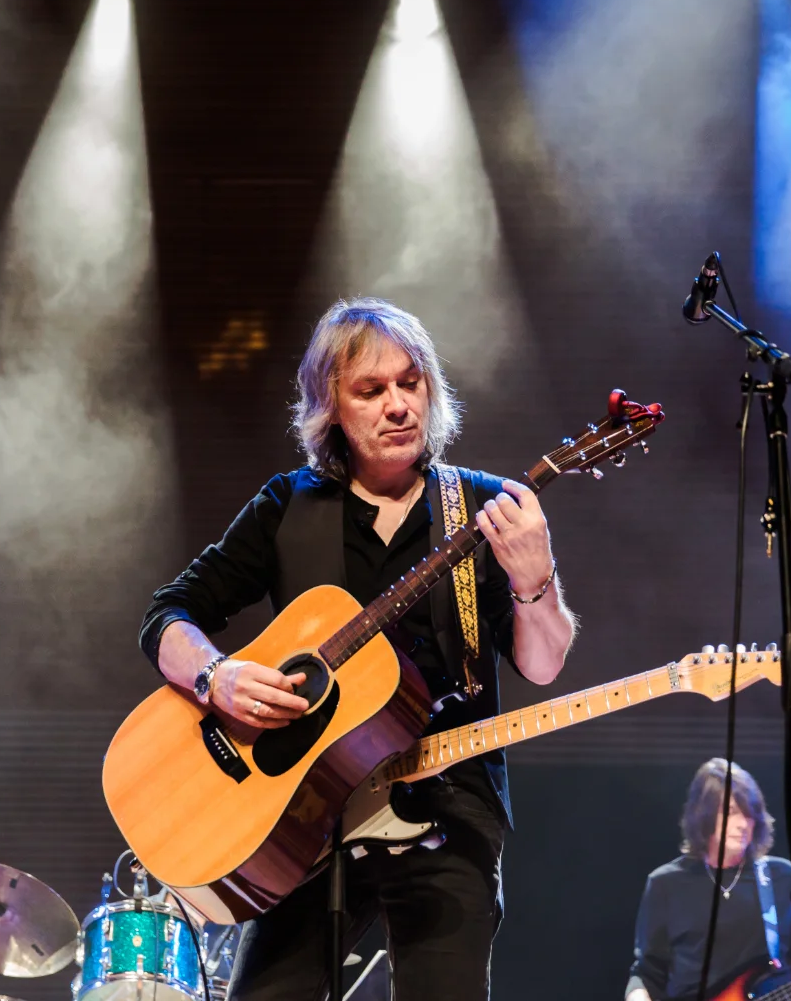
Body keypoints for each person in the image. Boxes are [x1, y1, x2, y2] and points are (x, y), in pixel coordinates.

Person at [139, 297, 579, 1000]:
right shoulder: (287, 507)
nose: (398, 405)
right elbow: (167, 617)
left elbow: (542, 664)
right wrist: (215, 678)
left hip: (445, 808)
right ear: (330, 408)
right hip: (307, 816)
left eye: (411, 382)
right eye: (371, 391)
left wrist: (536, 578)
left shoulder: (485, 506)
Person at [626, 759, 791, 1001]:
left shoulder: (780, 877)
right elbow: (647, 972)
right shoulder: (666, 884)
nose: (742, 824)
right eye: (730, 812)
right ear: (702, 814)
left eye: (749, 813)